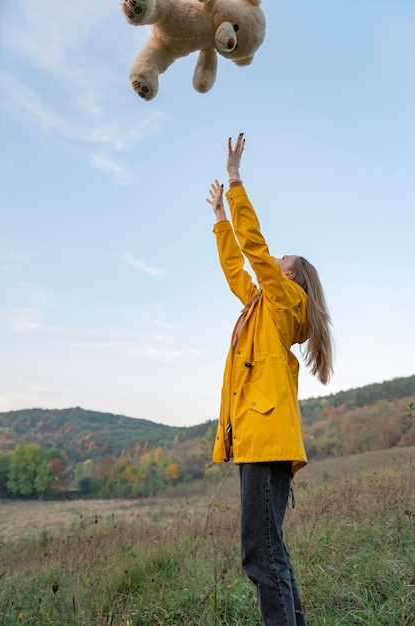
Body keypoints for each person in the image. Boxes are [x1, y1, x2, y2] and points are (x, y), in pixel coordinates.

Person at [206, 133, 333, 626]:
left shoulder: (287, 303)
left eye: (284, 263)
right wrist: (219, 218)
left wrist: (236, 181)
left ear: (296, 280)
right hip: (261, 438)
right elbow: (239, 268)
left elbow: (255, 250)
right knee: (270, 552)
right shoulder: (263, 305)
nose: (275, 260)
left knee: (260, 555)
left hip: (266, 440)